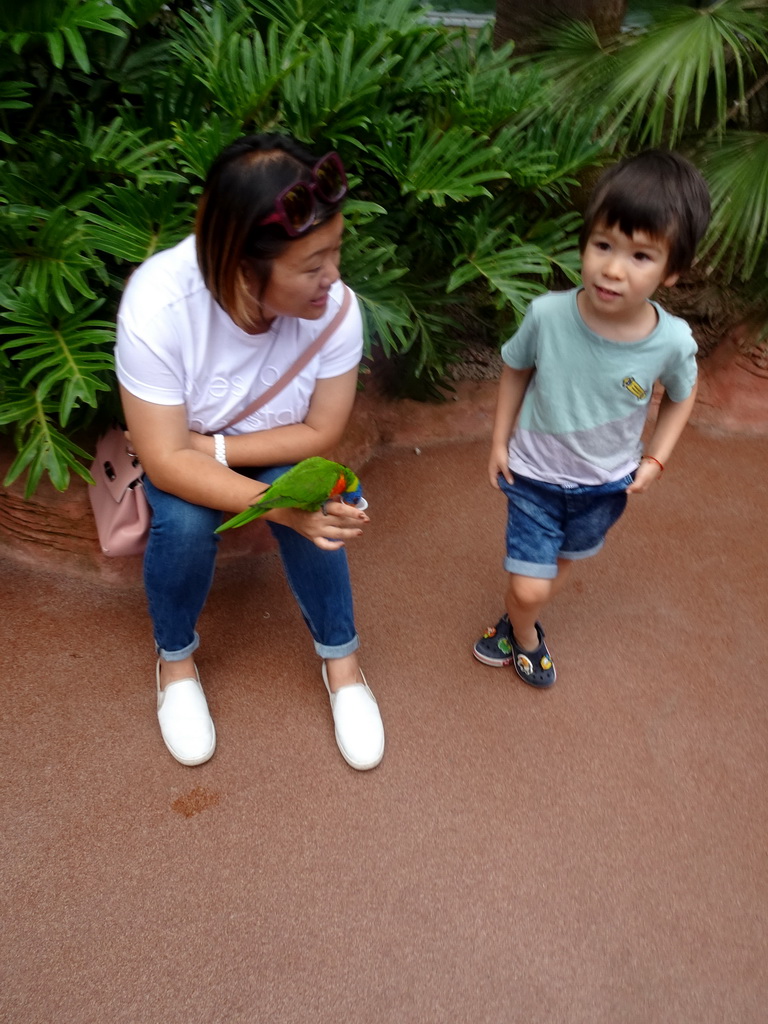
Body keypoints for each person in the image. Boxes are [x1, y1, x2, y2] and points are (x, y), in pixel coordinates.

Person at [116, 134, 384, 770]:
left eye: (336, 252)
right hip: (180, 455)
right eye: (312, 264)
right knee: (183, 521)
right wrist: (280, 508)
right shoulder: (158, 306)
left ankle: (343, 664)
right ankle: (175, 660)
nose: (334, 279)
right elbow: (164, 461)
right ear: (240, 265)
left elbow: (321, 432)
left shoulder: (335, 310)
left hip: (252, 441)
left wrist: (221, 451)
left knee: (311, 487)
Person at [473, 150, 711, 686]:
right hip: (533, 475)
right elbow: (515, 367)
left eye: (640, 256)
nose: (612, 268)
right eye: (603, 245)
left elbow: (682, 395)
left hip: (605, 486)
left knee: (564, 560)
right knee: (530, 585)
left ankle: (514, 621)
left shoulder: (671, 342)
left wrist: (657, 457)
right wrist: (499, 439)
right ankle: (528, 633)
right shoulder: (548, 315)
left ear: (672, 272)